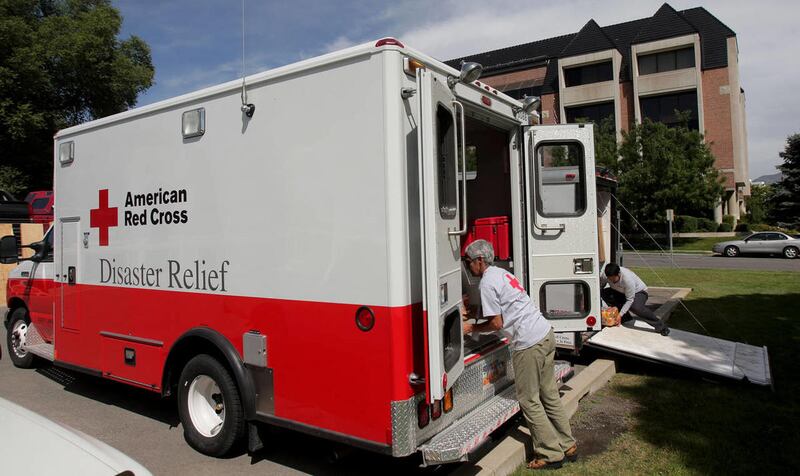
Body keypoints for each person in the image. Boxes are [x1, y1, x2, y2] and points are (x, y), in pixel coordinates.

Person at [462, 239, 576, 469]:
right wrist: (475, 312)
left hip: (529, 344)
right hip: (544, 333)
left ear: (479, 261)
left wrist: (471, 327)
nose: (467, 267)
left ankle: (550, 453)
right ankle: (567, 443)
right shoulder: (501, 274)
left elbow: (496, 323)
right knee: (549, 394)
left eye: (468, 262)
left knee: (529, 400)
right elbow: (505, 308)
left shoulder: (486, 283)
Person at [600, 263, 670, 335]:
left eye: (614, 278)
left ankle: (661, 326)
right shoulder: (605, 275)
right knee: (604, 293)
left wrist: (620, 314)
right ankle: (625, 318)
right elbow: (601, 284)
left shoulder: (627, 279)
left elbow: (630, 300)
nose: (612, 281)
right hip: (621, 292)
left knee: (636, 307)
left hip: (639, 292)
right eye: (609, 279)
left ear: (619, 274)